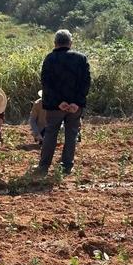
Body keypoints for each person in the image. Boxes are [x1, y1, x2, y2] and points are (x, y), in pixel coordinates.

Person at [33, 30, 91, 176]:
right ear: (70, 43)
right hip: (75, 107)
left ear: (55, 43)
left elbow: (46, 84)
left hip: (54, 106)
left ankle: (44, 166)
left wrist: (59, 102)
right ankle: (67, 166)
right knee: (71, 134)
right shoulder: (81, 59)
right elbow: (86, 83)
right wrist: (77, 103)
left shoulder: (49, 59)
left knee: (51, 133)